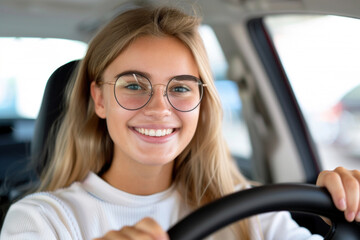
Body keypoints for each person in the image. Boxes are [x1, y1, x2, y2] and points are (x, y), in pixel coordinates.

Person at [1, 5, 360, 240]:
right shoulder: (41, 220)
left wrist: (349, 207)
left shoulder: (250, 209)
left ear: (202, 102)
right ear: (99, 99)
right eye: (134, 85)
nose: (159, 108)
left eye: (181, 88)